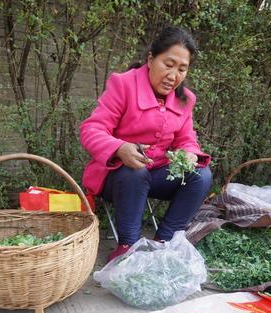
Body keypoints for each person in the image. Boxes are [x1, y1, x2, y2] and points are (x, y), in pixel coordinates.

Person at [80, 26, 212, 261]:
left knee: (200, 175)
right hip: (118, 178)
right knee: (135, 172)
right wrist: (119, 148)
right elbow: (91, 129)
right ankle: (128, 247)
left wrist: (190, 153)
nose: (174, 75)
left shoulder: (185, 99)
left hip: (157, 175)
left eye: (182, 69)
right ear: (151, 59)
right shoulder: (123, 85)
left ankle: (165, 242)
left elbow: (187, 139)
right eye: (168, 64)